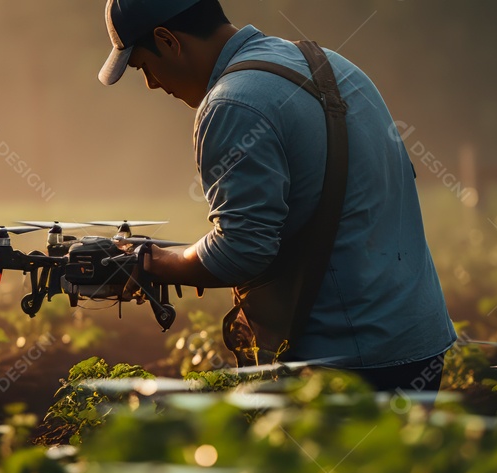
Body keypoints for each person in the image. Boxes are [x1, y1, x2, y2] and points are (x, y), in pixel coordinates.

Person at [97, 0, 456, 393]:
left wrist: (154, 263)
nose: (151, 83)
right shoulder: (330, 64)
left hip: (346, 361)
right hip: (418, 340)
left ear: (168, 40)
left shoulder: (232, 103)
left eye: (143, 67)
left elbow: (242, 250)